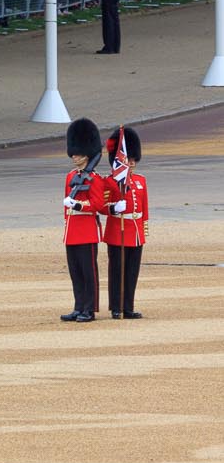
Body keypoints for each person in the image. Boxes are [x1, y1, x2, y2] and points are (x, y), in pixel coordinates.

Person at [60, 118, 112, 323]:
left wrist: (79, 206)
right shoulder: (70, 176)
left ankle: (90, 309)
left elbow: (98, 205)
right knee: (75, 272)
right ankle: (78, 306)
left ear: (87, 154)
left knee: (89, 273)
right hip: (72, 230)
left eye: (79, 153)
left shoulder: (95, 179)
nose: (75, 156)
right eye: (73, 152)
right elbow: (67, 206)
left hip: (87, 230)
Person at [104, 125, 148, 319]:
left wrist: (143, 231)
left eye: (132, 159)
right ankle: (116, 306)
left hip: (135, 231)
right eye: (127, 159)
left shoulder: (141, 181)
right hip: (118, 230)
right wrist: (115, 208)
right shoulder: (111, 182)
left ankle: (128, 306)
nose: (131, 163)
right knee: (117, 271)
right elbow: (103, 206)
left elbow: (144, 210)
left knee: (131, 272)